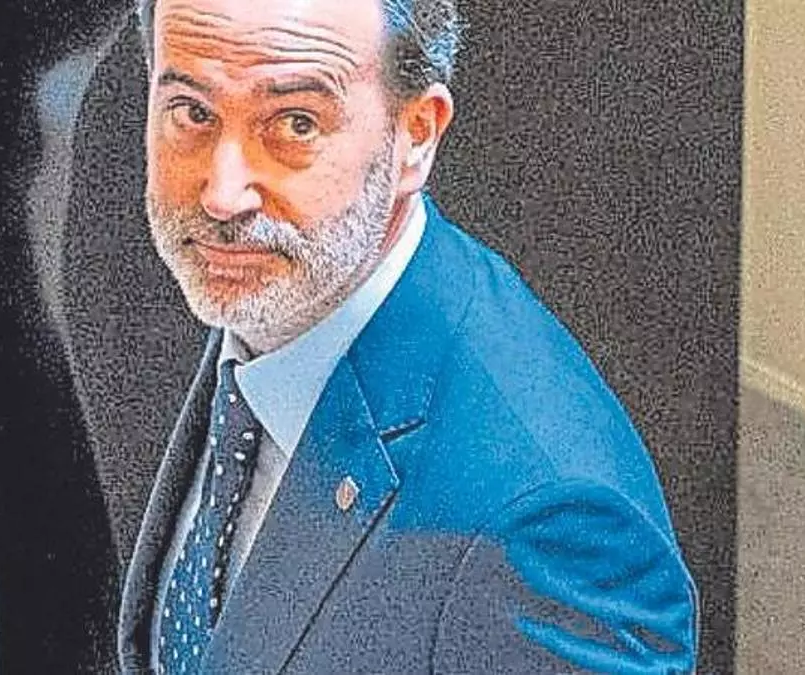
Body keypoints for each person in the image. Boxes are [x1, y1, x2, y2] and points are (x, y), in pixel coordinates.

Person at [117, 0, 699, 672]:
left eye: (296, 123)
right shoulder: (277, 290)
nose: (223, 195)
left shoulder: (554, 529)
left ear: (416, 134)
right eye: (193, 112)